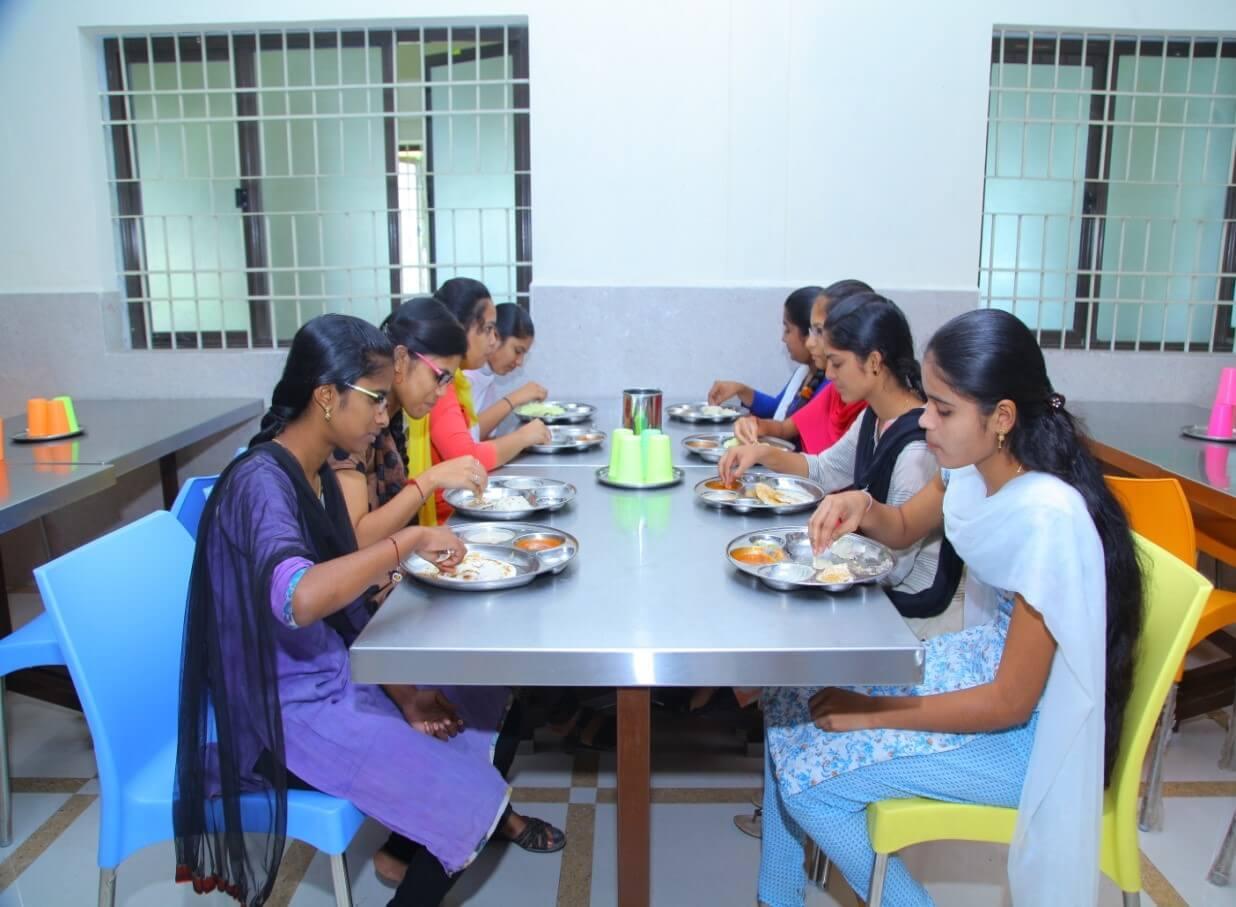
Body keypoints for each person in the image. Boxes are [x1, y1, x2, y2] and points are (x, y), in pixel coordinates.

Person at [757, 308, 1143, 907]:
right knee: (787, 694)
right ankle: (775, 895)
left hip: (1026, 740)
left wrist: (872, 713)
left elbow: (1009, 703)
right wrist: (863, 505)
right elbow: (906, 523)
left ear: (1002, 418)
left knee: (813, 784)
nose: (925, 421)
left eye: (942, 408)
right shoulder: (975, 466)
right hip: (984, 674)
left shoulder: (1047, 517)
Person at [173, 314, 550, 907]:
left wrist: (404, 693)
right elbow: (299, 599)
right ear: (325, 396)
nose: (383, 416)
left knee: (480, 699)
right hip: (281, 711)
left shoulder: (316, 469)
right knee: (470, 799)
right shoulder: (261, 483)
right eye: (375, 399)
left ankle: (407, 843)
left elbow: (345, 610)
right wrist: (406, 543)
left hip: (329, 672)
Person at [720, 293, 962, 635]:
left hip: (904, 613)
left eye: (837, 363)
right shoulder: (872, 417)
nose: (829, 375)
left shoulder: (916, 450)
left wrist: (802, 562)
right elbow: (823, 470)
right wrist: (761, 453)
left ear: (874, 362)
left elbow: (893, 567)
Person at [331, 297, 486, 540]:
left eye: (449, 382)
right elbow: (357, 538)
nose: (442, 392)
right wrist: (431, 479)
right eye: (439, 377)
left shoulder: (393, 418)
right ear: (401, 359)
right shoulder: (353, 420)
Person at [417, 278, 550, 522]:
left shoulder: (455, 382)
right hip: (446, 519)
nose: (493, 341)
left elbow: (473, 435)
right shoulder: (440, 386)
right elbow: (468, 457)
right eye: (488, 329)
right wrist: (522, 437)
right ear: (459, 328)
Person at [730, 280, 872, 455]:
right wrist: (754, 425)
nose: (810, 343)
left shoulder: (871, 411)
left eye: (819, 331)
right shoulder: (833, 391)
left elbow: (826, 470)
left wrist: (765, 453)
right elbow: (784, 428)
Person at [707, 286, 832, 422]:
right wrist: (740, 389)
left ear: (809, 335)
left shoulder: (829, 386)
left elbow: (796, 431)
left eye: (788, 330)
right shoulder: (804, 373)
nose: (783, 338)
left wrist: (761, 428)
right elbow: (777, 409)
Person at [468, 302, 548, 440]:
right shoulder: (463, 376)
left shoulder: (487, 375)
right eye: (517, 351)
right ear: (494, 336)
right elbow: (468, 436)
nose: (519, 362)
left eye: (524, 355)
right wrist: (514, 399)